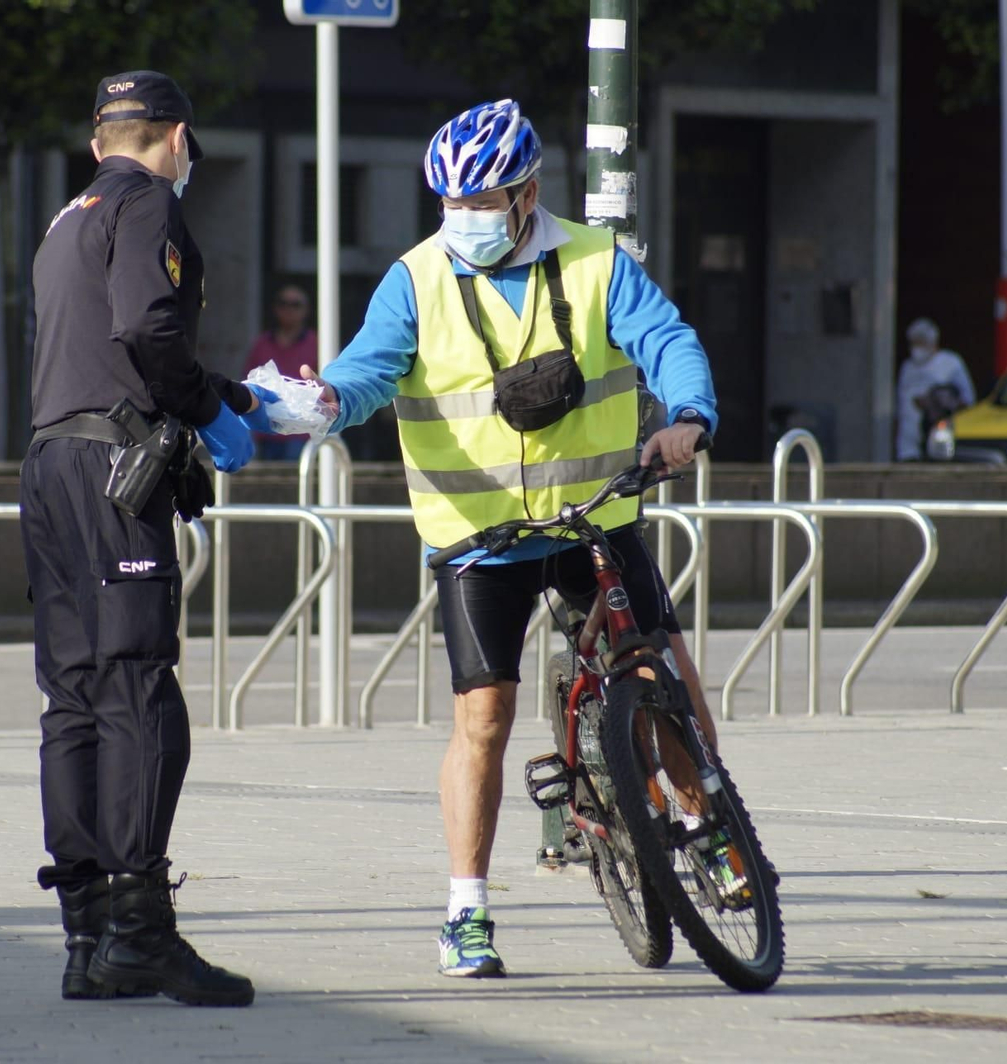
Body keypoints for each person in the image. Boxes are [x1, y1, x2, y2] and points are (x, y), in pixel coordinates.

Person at [299, 99, 725, 978]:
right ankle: (466, 912)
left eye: (483, 202)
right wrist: (330, 398)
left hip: (592, 518)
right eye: (452, 203)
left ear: (528, 195)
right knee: (483, 719)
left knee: (659, 675)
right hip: (478, 537)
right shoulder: (415, 279)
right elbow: (368, 369)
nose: (466, 218)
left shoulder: (598, 261)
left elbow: (666, 340)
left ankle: (710, 827)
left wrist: (688, 415)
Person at [19, 70, 273, 1008]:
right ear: (176, 138)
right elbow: (149, 329)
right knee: (136, 690)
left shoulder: (69, 217)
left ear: (97, 141)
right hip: (112, 478)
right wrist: (210, 411)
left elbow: (102, 346)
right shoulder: (149, 202)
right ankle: (141, 933)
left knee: (75, 697)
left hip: (51, 465)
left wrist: (234, 395)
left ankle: (86, 937)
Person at [242, 285, 319, 459]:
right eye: (283, 303)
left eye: (295, 304)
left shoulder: (317, 344)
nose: (289, 309)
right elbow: (246, 382)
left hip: (301, 432)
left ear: (306, 310)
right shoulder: (262, 343)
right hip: (265, 430)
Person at [896, 317, 976, 460]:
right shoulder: (907, 368)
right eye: (914, 343)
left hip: (938, 438)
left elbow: (967, 399)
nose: (917, 348)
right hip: (908, 443)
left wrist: (934, 402)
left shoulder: (950, 363)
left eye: (921, 343)